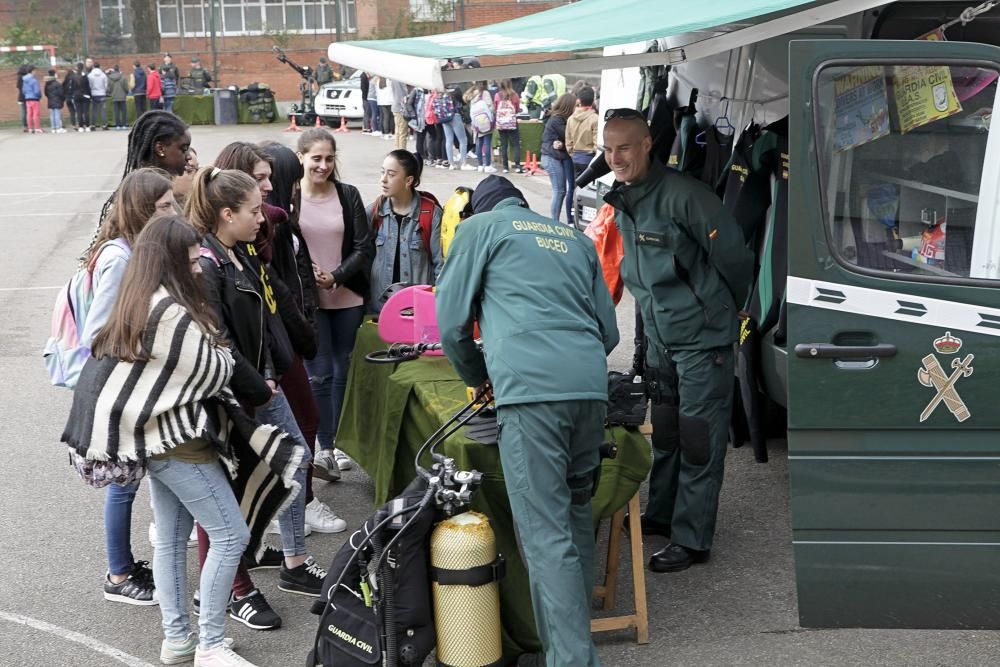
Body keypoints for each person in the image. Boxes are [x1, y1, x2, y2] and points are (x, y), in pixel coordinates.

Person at [64, 214, 268, 666]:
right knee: (230, 537)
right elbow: (215, 371)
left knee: (172, 541)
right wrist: (218, 347)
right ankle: (211, 645)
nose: (199, 268)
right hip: (180, 443)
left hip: (152, 443)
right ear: (171, 262)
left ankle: (178, 641)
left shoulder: (138, 299)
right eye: (193, 260)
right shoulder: (170, 311)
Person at [436, 175, 619, 667]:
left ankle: (572, 661)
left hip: (531, 397)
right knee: (576, 520)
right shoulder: (574, 239)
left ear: (480, 208)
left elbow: (451, 326)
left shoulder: (480, 230)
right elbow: (610, 330)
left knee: (546, 537)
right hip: (589, 392)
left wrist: (480, 376)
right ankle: (573, 647)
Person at [601, 108, 753, 573]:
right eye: (608, 149)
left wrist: (727, 312)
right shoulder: (627, 198)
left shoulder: (685, 195)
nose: (615, 157)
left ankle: (692, 537)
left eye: (624, 147)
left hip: (702, 336)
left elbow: (735, 259)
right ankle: (663, 515)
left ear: (647, 143)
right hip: (661, 336)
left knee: (697, 438)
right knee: (666, 431)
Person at [213, 140, 346, 534]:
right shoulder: (220, 254)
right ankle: (281, 528)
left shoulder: (265, 228)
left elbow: (281, 291)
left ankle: (291, 551)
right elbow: (241, 317)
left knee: (297, 443)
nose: (269, 188)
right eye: (260, 180)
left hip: (274, 356)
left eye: (272, 178)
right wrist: (267, 367)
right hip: (258, 364)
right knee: (271, 451)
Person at [184, 167, 297, 630]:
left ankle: (228, 579)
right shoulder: (208, 265)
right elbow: (220, 340)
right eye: (253, 211)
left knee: (256, 484)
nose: (261, 218)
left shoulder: (239, 254)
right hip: (223, 400)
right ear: (226, 214)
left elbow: (263, 322)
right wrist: (255, 385)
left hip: (250, 390)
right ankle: (235, 590)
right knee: (222, 502)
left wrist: (267, 375)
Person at [78, 168, 177, 606]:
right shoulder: (120, 257)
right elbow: (96, 332)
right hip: (120, 385)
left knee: (137, 477)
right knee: (124, 482)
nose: (173, 212)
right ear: (141, 210)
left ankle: (125, 564)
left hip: (135, 382)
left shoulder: (139, 248)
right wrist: (141, 346)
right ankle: (117, 574)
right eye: (164, 207)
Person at [293, 128, 373, 482]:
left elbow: (363, 247)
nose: (323, 165)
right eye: (316, 158)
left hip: (346, 295)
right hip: (309, 301)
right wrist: (309, 277)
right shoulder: (291, 198)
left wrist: (337, 275)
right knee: (319, 372)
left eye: (329, 158)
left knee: (344, 369)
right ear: (301, 159)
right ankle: (323, 446)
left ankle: (341, 443)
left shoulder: (348, 195)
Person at [367, 149, 443, 312]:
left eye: (391, 174)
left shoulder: (431, 214)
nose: (383, 180)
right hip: (380, 308)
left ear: (408, 180)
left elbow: (441, 265)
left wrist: (437, 305)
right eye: (382, 172)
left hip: (419, 308)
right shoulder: (374, 212)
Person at [98, 110, 191, 225]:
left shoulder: (159, 187)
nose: (188, 156)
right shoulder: (142, 193)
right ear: (160, 148)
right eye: (183, 149)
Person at [540, 93, 577, 225]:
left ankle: (555, 221)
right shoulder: (556, 120)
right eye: (575, 106)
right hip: (551, 157)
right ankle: (554, 222)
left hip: (552, 156)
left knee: (560, 190)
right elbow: (569, 135)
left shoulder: (558, 119)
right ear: (568, 106)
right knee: (559, 190)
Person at [566, 86, 599, 179]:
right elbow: (596, 141)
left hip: (575, 157)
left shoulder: (571, 118)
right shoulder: (595, 119)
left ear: (579, 100)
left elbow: (568, 140)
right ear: (593, 100)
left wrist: (572, 153)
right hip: (589, 157)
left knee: (577, 186)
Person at [465, 81, 496, 173]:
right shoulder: (485, 93)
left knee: (479, 143)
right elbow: (491, 107)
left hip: (476, 122)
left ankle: (480, 165)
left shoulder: (472, 93)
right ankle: (487, 165)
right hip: (485, 121)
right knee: (487, 143)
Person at [494, 79, 523, 174]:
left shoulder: (498, 96)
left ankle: (505, 167)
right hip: (512, 123)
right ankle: (518, 166)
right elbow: (517, 109)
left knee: (504, 144)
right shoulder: (514, 95)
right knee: (515, 144)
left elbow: (495, 108)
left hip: (501, 124)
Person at [64, 63, 90, 131]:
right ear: (82, 68)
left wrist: (73, 94)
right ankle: (87, 126)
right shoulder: (85, 76)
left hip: (76, 96)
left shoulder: (73, 77)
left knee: (79, 112)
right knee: (86, 112)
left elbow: (71, 87)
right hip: (85, 95)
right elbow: (88, 87)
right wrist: (89, 95)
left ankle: (80, 127)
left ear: (77, 68)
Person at [107, 64, 129, 130]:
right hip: (122, 96)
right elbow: (126, 87)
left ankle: (117, 125)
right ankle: (124, 125)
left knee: (116, 111)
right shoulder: (123, 77)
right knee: (124, 111)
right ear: (119, 69)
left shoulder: (109, 77)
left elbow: (109, 88)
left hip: (114, 96)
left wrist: (111, 93)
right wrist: (126, 93)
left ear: (113, 70)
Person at [87, 61, 108, 130]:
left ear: (93, 67)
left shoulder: (90, 75)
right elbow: (106, 85)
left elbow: (89, 85)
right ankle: (104, 125)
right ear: (99, 67)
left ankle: (93, 125)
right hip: (102, 93)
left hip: (94, 94)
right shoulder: (103, 75)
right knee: (103, 111)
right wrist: (104, 90)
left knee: (94, 111)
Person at [44, 68, 66, 133]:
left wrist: (50, 97)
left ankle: (53, 128)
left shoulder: (47, 84)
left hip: (50, 100)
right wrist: (62, 99)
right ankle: (58, 127)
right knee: (57, 114)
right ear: (54, 75)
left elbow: (46, 93)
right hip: (57, 100)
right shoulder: (57, 84)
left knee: (52, 114)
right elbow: (61, 93)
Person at [21, 65, 42, 134]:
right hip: (35, 98)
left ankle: (30, 128)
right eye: (35, 71)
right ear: (32, 71)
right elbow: (37, 91)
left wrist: (27, 95)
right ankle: (37, 128)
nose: (36, 72)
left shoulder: (24, 80)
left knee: (29, 114)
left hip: (27, 98)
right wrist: (39, 96)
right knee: (36, 114)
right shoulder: (34, 80)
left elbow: (23, 90)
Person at [390, 78, 409, 150]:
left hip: (396, 108)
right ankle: (402, 150)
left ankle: (397, 149)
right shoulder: (398, 80)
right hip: (400, 108)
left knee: (398, 131)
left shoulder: (394, 80)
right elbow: (400, 96)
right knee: (402, 132)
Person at [15, 64, 28, 132]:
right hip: (26, 96)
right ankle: (27, 125)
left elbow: (18, 87)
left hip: (20, 96)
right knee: (27, 112)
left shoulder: (18, 77)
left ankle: (24, 126)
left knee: (23, 111)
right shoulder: (25, 77)